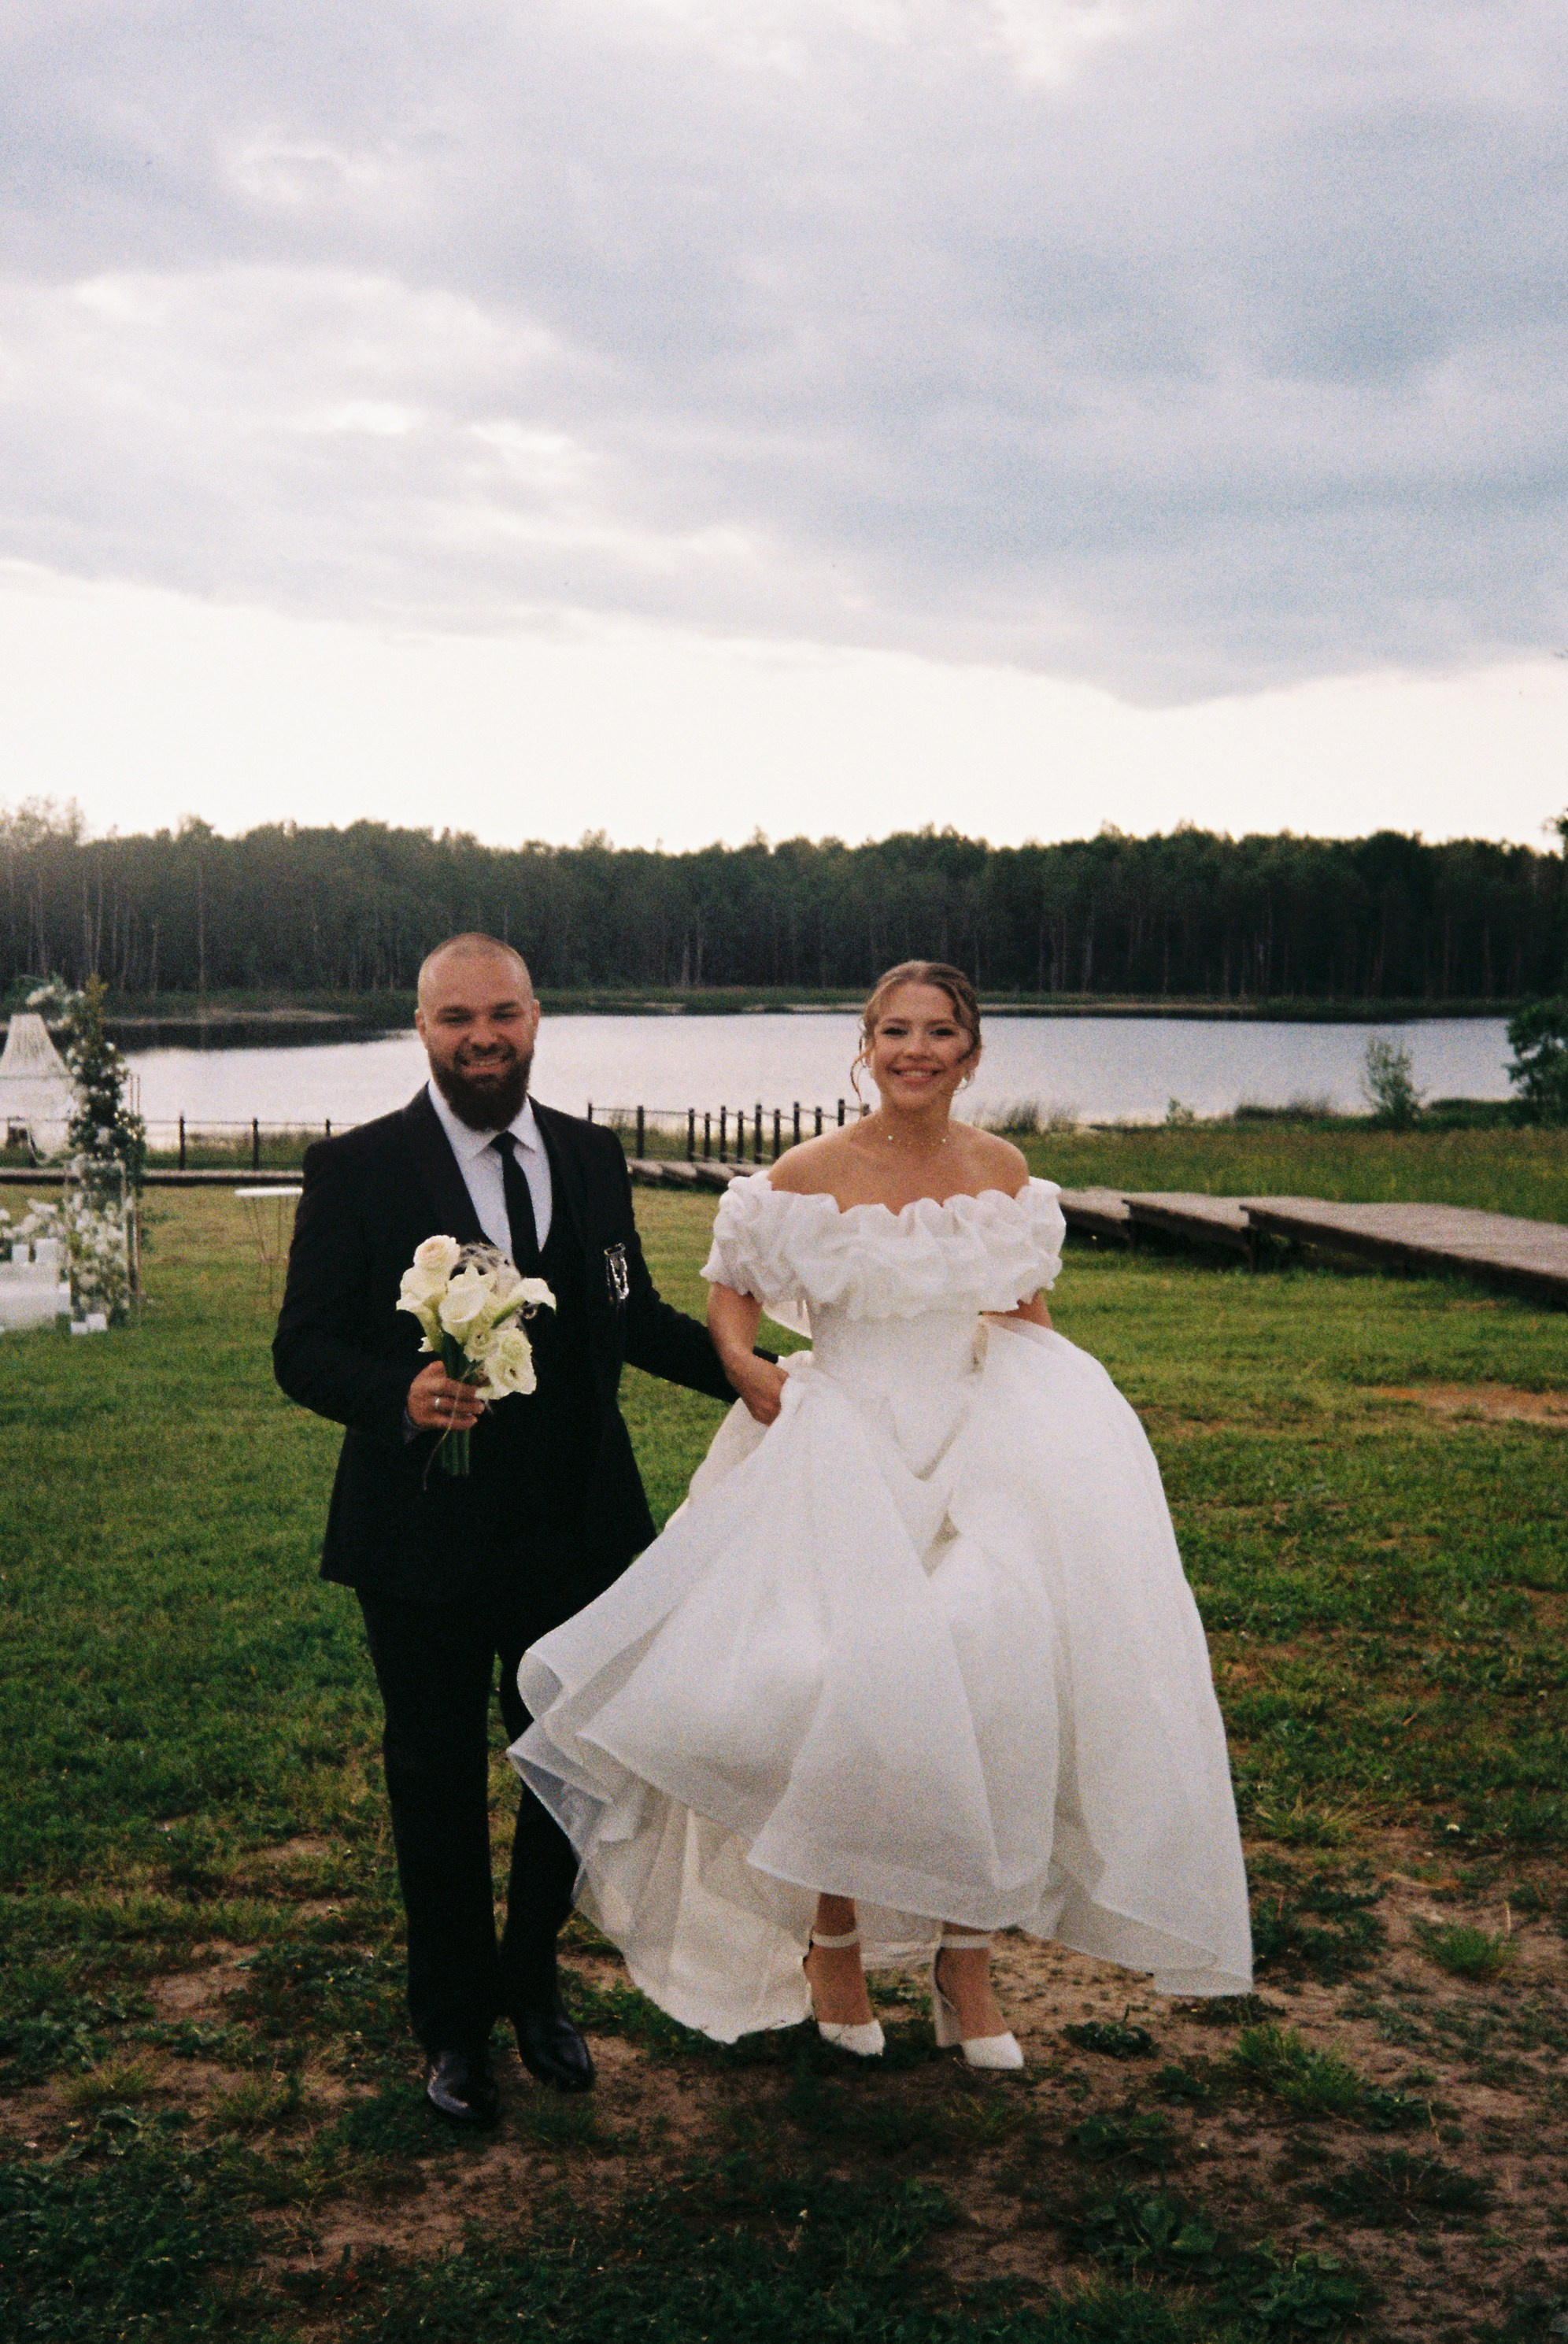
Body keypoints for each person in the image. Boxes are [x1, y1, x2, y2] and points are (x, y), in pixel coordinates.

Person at [512, 961, 1252, 2063]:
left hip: (972, 1448)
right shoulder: (809, 1171)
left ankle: (965, 1959)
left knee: (995, 1672)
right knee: (827, 1683)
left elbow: (1021, 1307)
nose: (917, 1049)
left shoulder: (1000, 1168)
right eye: (895, 1030)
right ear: (867, 1046)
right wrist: (739, 1360)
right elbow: (734, 1282)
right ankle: (836, 1933)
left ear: (971, 1051)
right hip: (841, 1450)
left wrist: (1061, 1421)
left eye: (939, 1031)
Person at [272, 934, 778, 2126]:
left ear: (537, 1018)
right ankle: (452, 2025)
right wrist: (396, 1396)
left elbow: (628, 1312)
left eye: (500, 1013)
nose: (481, 1036)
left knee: (572, 1770)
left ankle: (533, 1980)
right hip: (422, 1539)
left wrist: (767, 1379)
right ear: (423, 1026)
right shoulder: (358, 1169)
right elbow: (303, 1345)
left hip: (582, 1531)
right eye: (456, 1017)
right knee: (435, 1776)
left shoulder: (593, 1156)